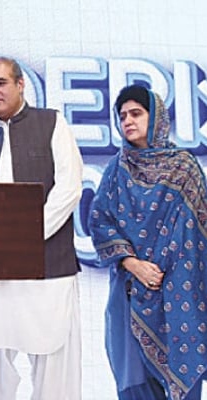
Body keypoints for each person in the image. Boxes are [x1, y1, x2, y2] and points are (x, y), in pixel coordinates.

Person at [0, 56, 83, 400]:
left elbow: (69, 188)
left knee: (54, 367)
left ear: (20, 85)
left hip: (48, 267)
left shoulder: (52, 123)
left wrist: (27, 237)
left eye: (0, 83)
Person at [87, 84, 207, 400]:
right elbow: (99, 221)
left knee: (183, 381)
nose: (128, 121)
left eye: (136, 113)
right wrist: (134, 264)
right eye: (122, 115)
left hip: (181, 294)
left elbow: (199, 235)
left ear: (155, 117)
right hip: (130, 292)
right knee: (135, 383)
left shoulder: (184, 167)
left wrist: (165, 270)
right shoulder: (116, 169)